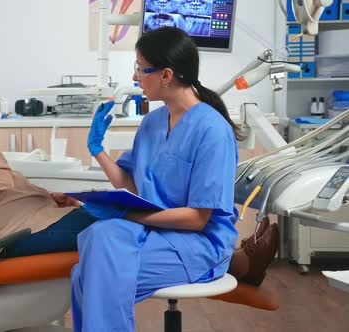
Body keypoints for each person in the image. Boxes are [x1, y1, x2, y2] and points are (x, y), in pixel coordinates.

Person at [0, 78, 278, 274]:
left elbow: (1, 191)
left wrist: (49, 198)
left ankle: (234, 259)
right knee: (124, 215)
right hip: (15, 240)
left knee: (124, 211)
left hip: (33, 221)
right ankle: (238, 262)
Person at [70, 26, 276, 332]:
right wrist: (97, 150)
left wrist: (133, 214)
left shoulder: (211, 131)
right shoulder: (152, 122)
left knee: (93, 274)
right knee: (99, 237)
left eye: (141, 69)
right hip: (153, 231)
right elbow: (130, 185)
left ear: (166, 75)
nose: (135, 77)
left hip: (195, 242)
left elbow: (196, 219)